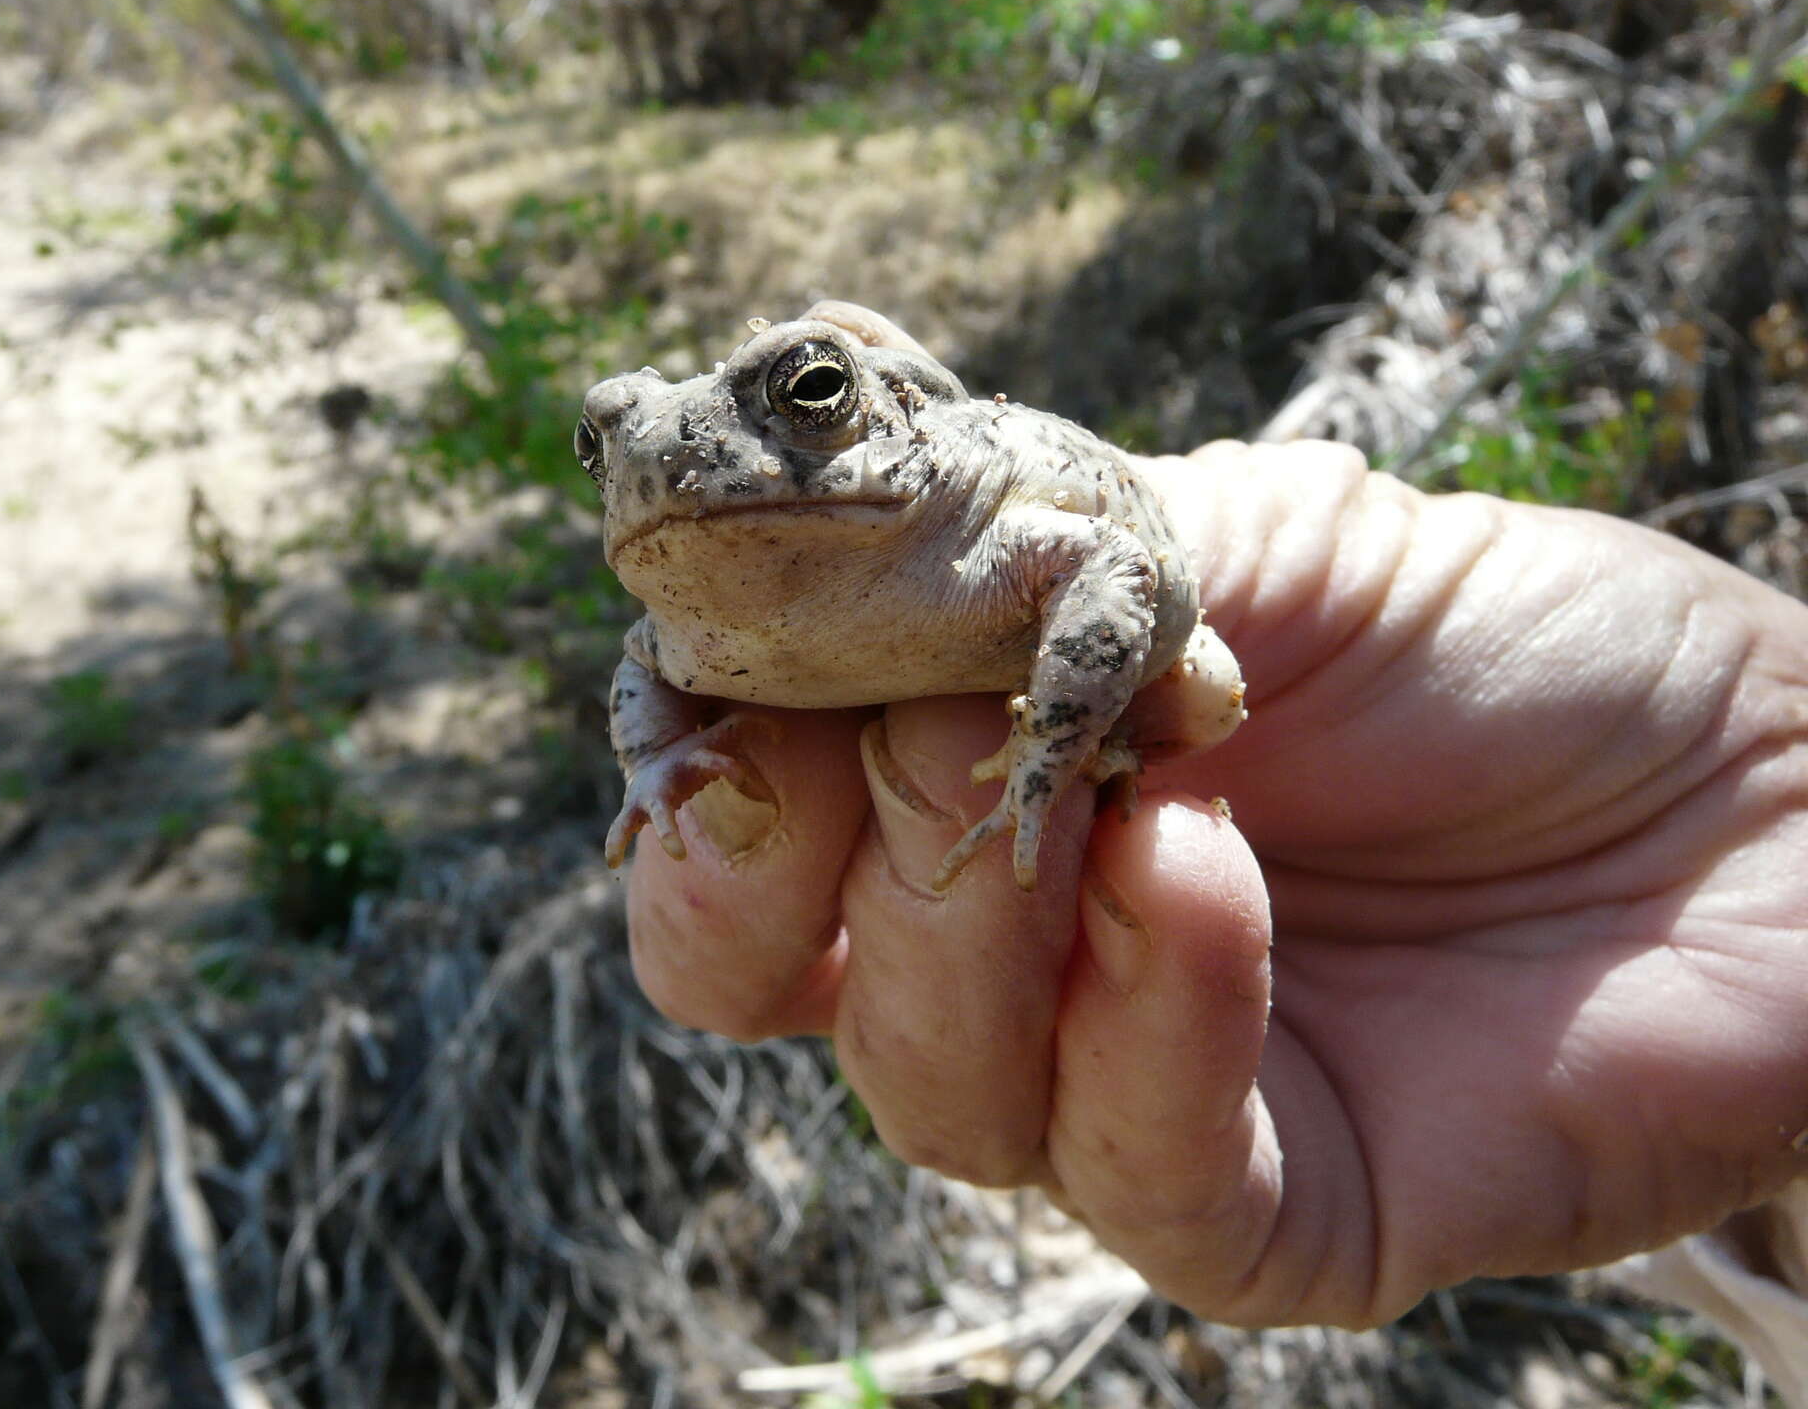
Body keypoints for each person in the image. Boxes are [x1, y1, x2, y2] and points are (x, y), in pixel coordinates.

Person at [617, 440, 1808, 1395]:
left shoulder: (970, 511)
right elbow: (645, 669)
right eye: (603, 446)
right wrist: (658, 763)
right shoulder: (687, 621)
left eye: (810, 398)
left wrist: (1048, 741)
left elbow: (1116, 570)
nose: (675, 461)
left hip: (1131, 696)